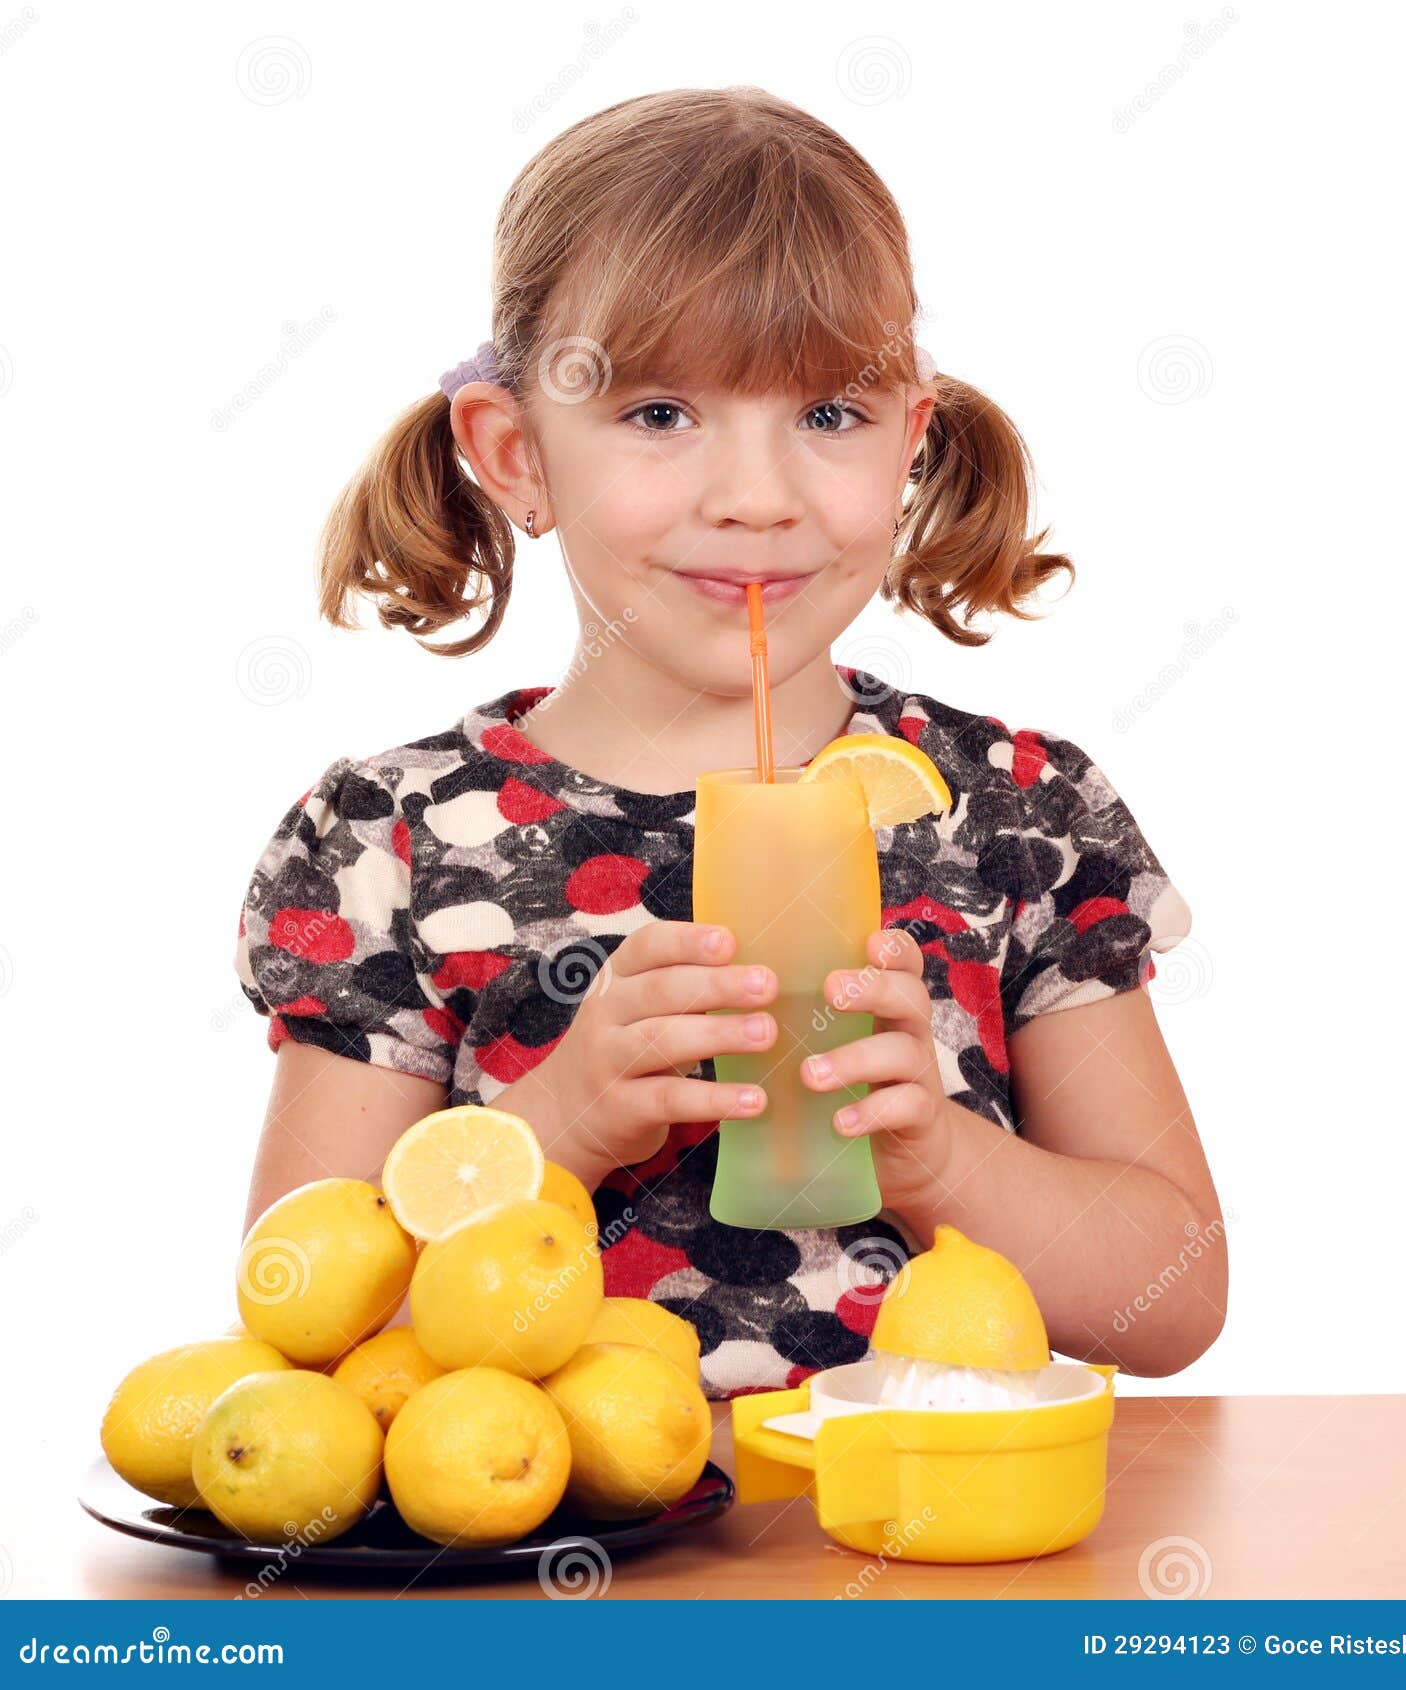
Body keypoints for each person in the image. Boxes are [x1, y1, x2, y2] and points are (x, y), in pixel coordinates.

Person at [235, 86, 1225, 1399]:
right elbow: (305, 1338)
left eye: (829, 416)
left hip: (932, 1564)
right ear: (517, 455)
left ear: (909, 443)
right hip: (550, 1575)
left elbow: (1172, 1299)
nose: (756, 500)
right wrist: (559, 1126)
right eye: (657, 413)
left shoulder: (1019, 816)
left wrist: (942, 1159)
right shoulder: (387, 841)